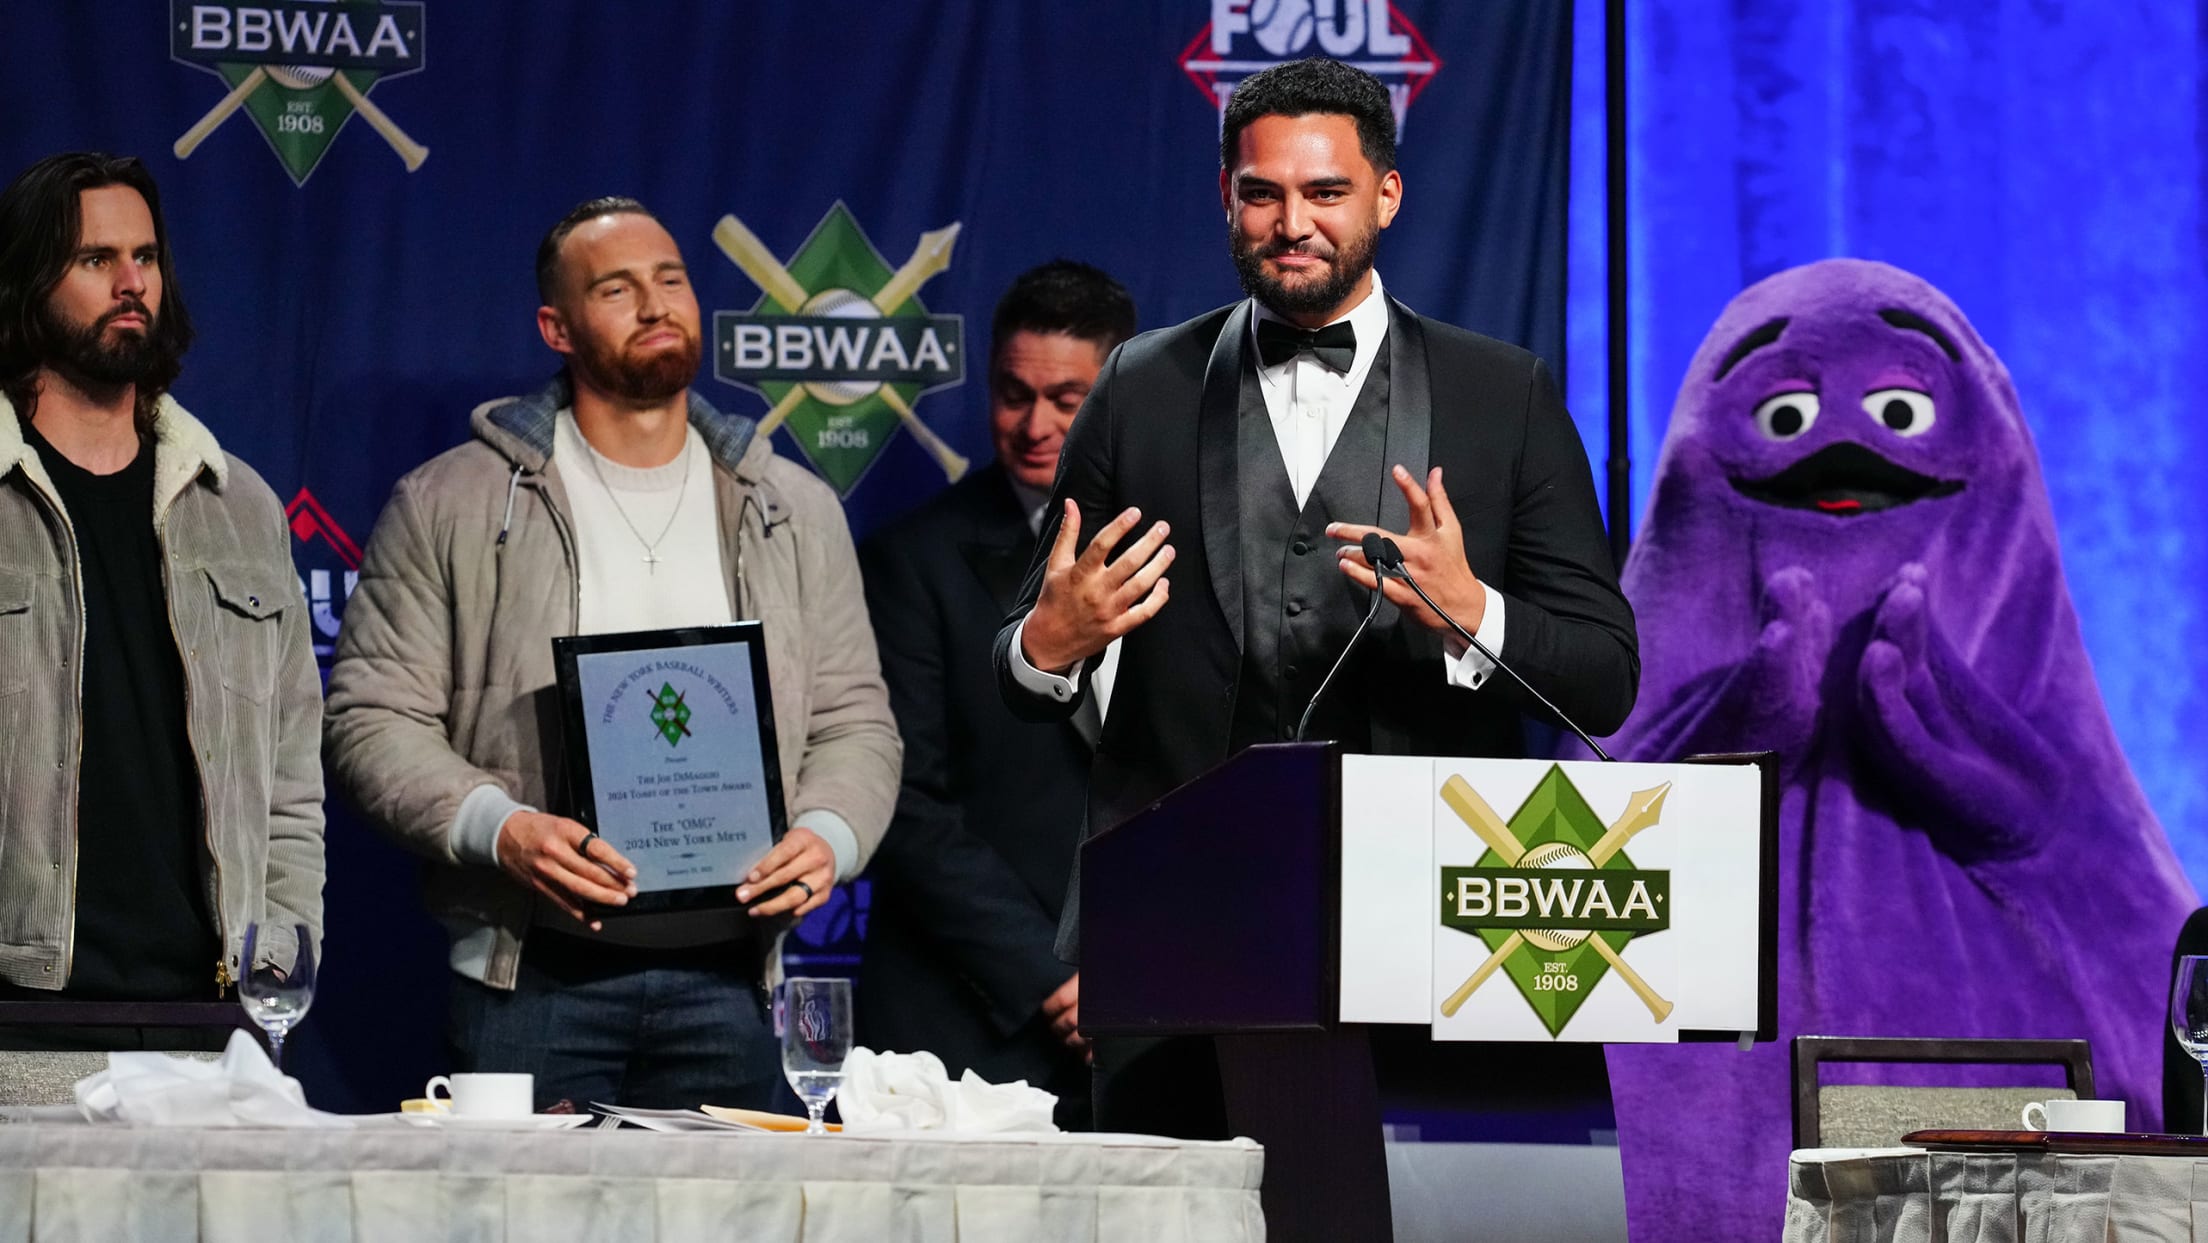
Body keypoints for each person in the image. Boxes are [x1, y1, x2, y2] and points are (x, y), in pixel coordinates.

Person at [992, 59, 1638, 1133]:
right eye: (1263, 193)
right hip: (1179, 930)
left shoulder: (1502, 394)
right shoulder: (1139, 385)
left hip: (1443, 932)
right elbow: (1022, 657)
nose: (1292, 223)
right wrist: (1049, 644)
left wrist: (1473, 612)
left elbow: (1606, 676)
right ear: (1228, 198)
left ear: (1386, 195)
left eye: (1325, 192)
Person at [325, 197, 900, 1109]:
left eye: (671, 279)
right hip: (530, 980)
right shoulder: (449, 503)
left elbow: (855, 721)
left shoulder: (790, 506)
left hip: (736, 983)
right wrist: (500, 826)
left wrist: (828, 834)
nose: (655, 303)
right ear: (556, 325)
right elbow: (370, 719)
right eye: (617, 288)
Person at [0, 152, 325, 1044]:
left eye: (144, 258)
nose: (131, 282)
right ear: (30, 280)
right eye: (95, 260)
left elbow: (291, 781)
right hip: (19, 1021)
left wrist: (276, 970)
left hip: (213, 1023)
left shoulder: (241, 503)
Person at [856, 261, 1137, 1128]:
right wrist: (1051, 978)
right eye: (1014, 393)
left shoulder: (1191, 551)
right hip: (964, 1025)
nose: (1035, 423)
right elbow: (903, 803)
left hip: (1156, 1015)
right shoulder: (913, 560)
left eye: (1067, 397)